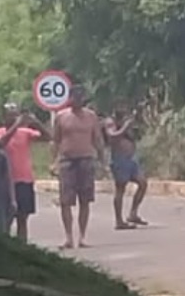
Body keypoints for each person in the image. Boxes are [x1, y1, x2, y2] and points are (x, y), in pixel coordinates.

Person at [52, 84, 106, 249]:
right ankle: (68, 237)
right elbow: (55, 140)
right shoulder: (61, 116)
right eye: (75, 96)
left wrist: (102, 160)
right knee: (65, 201)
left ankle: (82, 236)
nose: (78, 100)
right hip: (67, 161)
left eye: (81, 97)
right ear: (70, 98)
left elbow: (97, 139)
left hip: (86, 160)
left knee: (85, 200)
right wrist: (53, 161)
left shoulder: (91, 117)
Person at [0, 103, 45, 241]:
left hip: (24, 180)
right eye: (10, 115)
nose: (14, 118)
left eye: (16, 115)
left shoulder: (25, 133)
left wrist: (36, 122)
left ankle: (23, 247)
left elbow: (48, 137)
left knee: (23, 218)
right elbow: (0, 143)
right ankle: (5, 246)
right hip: (6, 181)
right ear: (4, 117)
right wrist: (17, 125)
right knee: (6, 217)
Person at [105, 100, 149, 229]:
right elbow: (112, 136)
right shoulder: (110, 122)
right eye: (121, 106)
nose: (123, 109)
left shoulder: (126, 121)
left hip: (131, 159)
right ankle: (119, 220)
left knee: (143, 183)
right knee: (120, 189)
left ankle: (133, 213)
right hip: (119, 159)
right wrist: (125, 127)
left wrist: (137, 119)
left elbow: (138, 134)